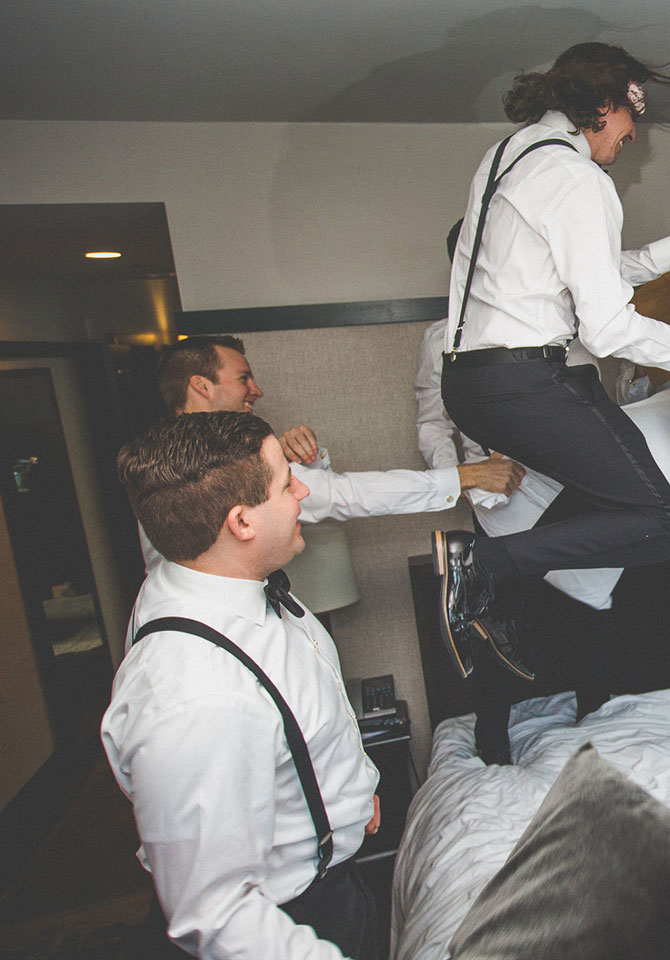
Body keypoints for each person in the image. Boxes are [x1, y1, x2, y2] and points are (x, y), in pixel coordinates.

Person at [433, 42, 670, 688]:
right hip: (529, 381)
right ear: (602, 106)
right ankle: (486, 564)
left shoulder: (506, 158)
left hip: (472, 382)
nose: (634, 135)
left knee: (604, 500)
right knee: (665, 525)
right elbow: (604, 327)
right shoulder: (580, 180)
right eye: (633, 119)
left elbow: (577, 275)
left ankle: (504, 588)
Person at [104, 411, 383, 959]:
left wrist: (347, 792)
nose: (303, 490)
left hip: (333, 881)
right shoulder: (195, 696)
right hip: (290, 923)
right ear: (242, 523)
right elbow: (218, 914)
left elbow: (294, 716)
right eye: (286, 483)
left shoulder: (217, 581)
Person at [414, 223, 613, 763]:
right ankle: (492, 744)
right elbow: (433, 425)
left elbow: (595, 403)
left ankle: (596, 726)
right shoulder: (443, 338)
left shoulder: (566, 324)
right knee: (498, 616)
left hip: (576, 488)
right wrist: (462, 476)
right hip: (500, 495)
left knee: (591, 607)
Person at [145, 335, 520, 572]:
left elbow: (314, 497)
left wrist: (306, 464)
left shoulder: (180, 449)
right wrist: (466, 475)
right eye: (244, 378)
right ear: (201, 385)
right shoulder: (205, 463)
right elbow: (344, 496)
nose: (257, 390)